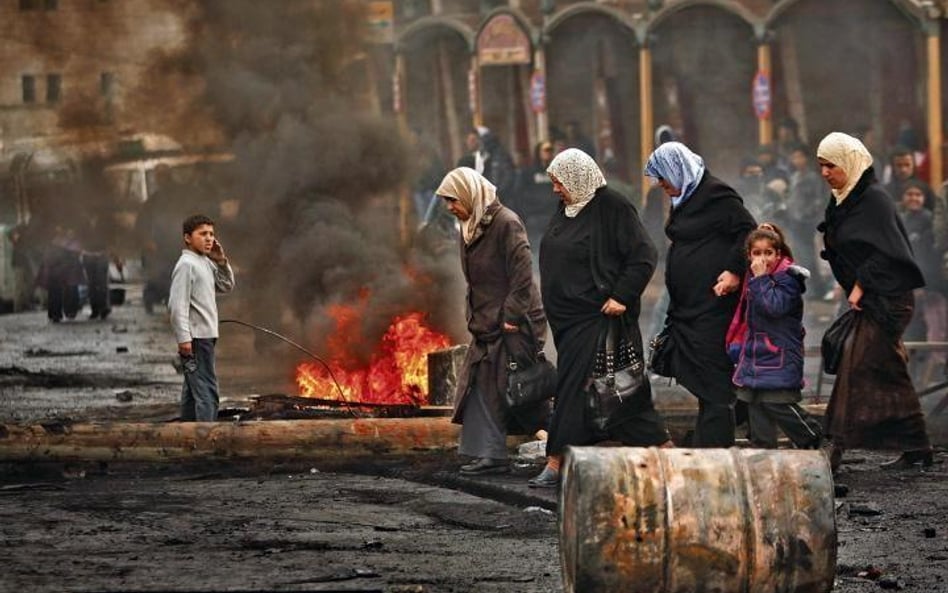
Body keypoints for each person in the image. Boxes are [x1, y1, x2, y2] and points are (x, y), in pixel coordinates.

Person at [531, 148, 672, 489]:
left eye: (559, 182)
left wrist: (621, 295)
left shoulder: (613, 207)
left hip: (598, 318)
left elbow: (643, 255)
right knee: (614, 393)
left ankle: (557, 459)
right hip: (568, 321)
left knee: (573, 387)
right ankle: (663, 451)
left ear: (578, 178)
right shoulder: (565, 209)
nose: (555, 189)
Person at [816, 132, 932, 471]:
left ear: (849, 163)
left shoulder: (875, 200)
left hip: (890, 300)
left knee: (857, 366)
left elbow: (892, 254)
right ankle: (917, 445)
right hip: (868, 301)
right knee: (888, 370)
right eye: (821, 165)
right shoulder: (843, 199)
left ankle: (834, 447)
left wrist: (860, 285)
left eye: (830, 165)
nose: (824, 172)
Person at [434, 167, 547, 476]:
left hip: (513, 324)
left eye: (453, 200)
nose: (450, 208)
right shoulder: (469, 227)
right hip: (486, 320)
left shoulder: (506, 223)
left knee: (510, 390)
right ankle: (490, 454)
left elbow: (523, 275)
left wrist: (511, 317)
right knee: (482, 386)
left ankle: (559, 446)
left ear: (470, 195)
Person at [644, 141, 757, 447]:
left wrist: (734, 270)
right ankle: (714, 438)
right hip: (689, 307)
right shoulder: (687, 199)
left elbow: (748, 231)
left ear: (677, 170)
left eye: (664, 177)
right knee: (704, 377)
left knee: (713, 379)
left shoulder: (717, 196)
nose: (662, 185)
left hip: (714, 305)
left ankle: (714, 445)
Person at [729, 223, 823, 449]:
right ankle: (765, 456)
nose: (763, 259)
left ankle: (815, 438)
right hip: (756, 356)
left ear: (778, 254)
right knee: (757, 404)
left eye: (768, 253)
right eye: (757, 253)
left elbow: (774, 307)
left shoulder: (788, 280)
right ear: (749, 255)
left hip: (778, 355)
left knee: (778, 402)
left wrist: (761, 279)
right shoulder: (752, 280)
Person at [169, 214, 235, 422]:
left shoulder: (204, 262)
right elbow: (176, 305)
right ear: (188, 238)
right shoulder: (186, 264)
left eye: (212, 234)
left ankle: (186, 436)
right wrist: (184, 339)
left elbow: (226, 285)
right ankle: (207, 440)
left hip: (206, 336)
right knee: (207, 391)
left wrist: (221, 261)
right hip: (197, 339)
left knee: (191, 391)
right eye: (202, 234)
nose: (209, 239)